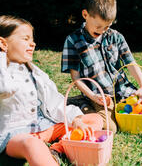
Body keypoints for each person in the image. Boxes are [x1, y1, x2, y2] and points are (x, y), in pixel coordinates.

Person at [0, 15, 104, 166]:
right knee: (32, 144)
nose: (33, 43)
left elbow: (55, 102)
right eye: (25, 39)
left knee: (94, 119)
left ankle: (58, 149)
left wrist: (75, 119)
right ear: (3, 43)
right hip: (16, 135)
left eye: (32, 39)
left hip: (44, 127)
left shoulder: (35, 72)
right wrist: (2, 57)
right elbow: (5, 88)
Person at [61, 0, 142, 132]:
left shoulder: (116, 36)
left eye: (107, 26)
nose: (103, 31)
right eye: (98, 26)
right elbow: (76, 78)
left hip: (124, 91)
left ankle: (115, 111)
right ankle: (81, 103)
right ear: (85, 14)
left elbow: (131, 63)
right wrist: (93, 96)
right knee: (110, 129)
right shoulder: (73, 41)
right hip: (98, 96)